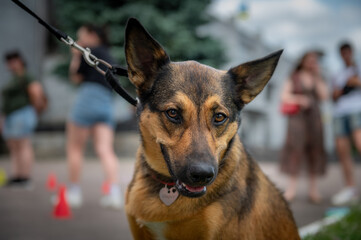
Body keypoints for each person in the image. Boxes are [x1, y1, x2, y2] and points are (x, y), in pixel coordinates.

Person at [62, 24, 121, 209]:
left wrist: (75, 55)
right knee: (105, 150)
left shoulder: (87, 52)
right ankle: (114, 194)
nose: (80, 40)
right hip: (105, 102)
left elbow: (75, 77)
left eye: (82, 36)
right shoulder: (108, 54)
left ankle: (73, 193)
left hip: (87, 99)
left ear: (93, 35)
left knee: (74, 148)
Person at [280, 51, 328, 203]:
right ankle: (291, 189)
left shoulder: (317, 77)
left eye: (315, 60)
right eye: (310, 60)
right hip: (297, 119)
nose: (312, 63)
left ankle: (313, 191)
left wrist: (318, 76)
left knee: (314, 151)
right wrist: (300, 99)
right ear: (303, 60)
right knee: (295, 150)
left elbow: (324, 96)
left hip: (314, 119)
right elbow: (284, 96)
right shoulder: (294, 76)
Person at [0, 51, 45, 188]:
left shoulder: (26, 76)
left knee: (23, 144)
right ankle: (17, 176)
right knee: (14, 147)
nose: (11, 64)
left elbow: (37, 93)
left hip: (22, 112)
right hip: (12, 115)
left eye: (13, 61)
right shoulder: (15, 77)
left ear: (20, 61)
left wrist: (34, 111)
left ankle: (25, 177)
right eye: (9, 62)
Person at [331, 42, 361, 205]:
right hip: (340, 112)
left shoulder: (358, 68)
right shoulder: (337, 73)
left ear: (352, 52)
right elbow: (334, 95)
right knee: (343, 151)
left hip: (357, 110)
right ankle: (350, 188)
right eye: (343, 53)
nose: (346, 55)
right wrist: (337, 92)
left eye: (348, 52)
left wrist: (355, 82)